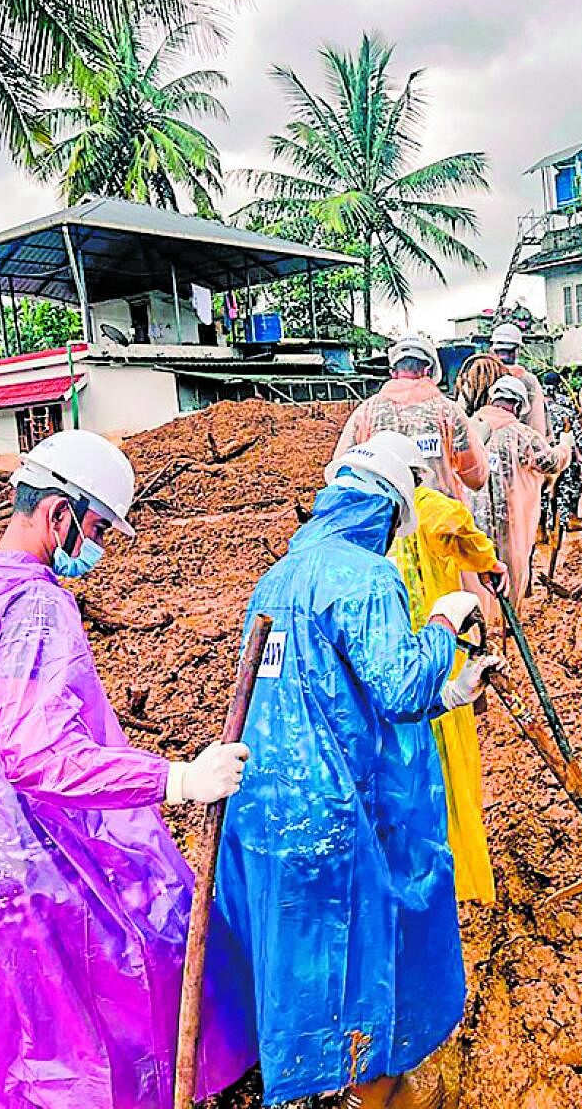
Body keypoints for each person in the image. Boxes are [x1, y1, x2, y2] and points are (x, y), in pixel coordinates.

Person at [0, 429, 255, 1109]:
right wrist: (175, 779)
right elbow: (40, 755)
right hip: (38, 869)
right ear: (58, 513)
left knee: (0, 1037)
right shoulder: (32, 604)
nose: (96, 546)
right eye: (95, 527)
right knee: (128, 984)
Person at [214, 432, 498, 1109]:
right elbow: (397, 688)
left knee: (296, 957)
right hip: (337, 812)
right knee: (363, 954)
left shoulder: (279, 576)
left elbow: (336, 691)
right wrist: (440, 623)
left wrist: (451, 693)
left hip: (263, 805)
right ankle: (373, 1089)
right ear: (388, 514)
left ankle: (302, 1083)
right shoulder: (367, 576)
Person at [390, 450, 509, 906]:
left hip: (393, 654)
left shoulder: (371, 520)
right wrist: (488, 563)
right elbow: (468, 539)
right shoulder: (433, 506)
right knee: (450, 757)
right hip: (438, 641)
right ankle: (458, 871)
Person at [334, 334, 488, 503]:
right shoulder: (450, 412)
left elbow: (342, 469)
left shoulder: (366, 413)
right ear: (428, 370)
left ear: (393, 372)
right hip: (439, 520)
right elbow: (475, 478)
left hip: (388, 519)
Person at [470, 377, 570, 619]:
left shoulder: (467, 427)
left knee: (475, 576)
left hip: (470, 519)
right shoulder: (521, 434)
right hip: (508, 521)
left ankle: (480, 625)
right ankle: (507, 626)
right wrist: (565, 446)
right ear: (517, 406)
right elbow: (550, 462)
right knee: (509, 573)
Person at [542, 375, 582, 533]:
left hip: (542, 457)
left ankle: (544, 524)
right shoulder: (564, 408)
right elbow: (578, 437)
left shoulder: (533, 411)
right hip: (564, 455)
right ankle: (566, 518)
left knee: (543, 490)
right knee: (570, 485)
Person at [488, 322, 550, 438]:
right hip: (520, 446)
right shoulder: (528, 380)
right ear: (517, 350)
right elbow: (537, 424)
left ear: (493, 350)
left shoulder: (481, 376)